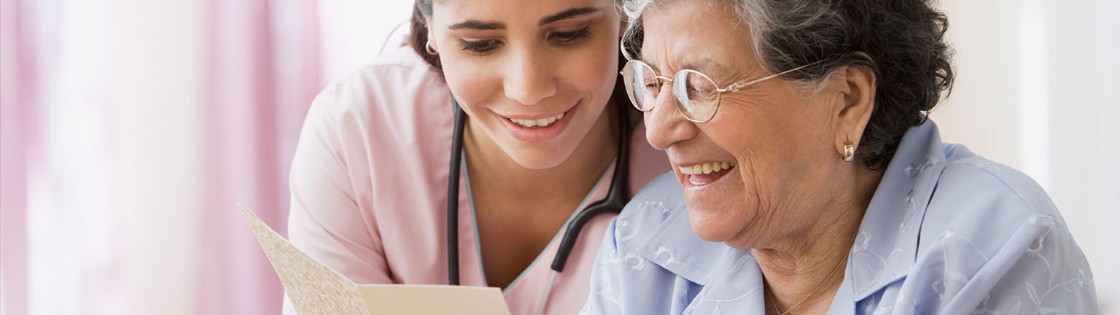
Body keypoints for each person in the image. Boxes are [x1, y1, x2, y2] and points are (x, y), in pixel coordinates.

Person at [582, 0, 1101, 313]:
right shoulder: (645, 244)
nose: (658, 129)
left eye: (699, 85)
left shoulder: (996, 248)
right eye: (652, 83)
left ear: (847, 100)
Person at [284, 0, 668, 314]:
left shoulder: (684, 152)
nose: (528, 89)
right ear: (429, 26)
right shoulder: (359, 127)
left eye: (568, 34)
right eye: (479, 43)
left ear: (623, 14)